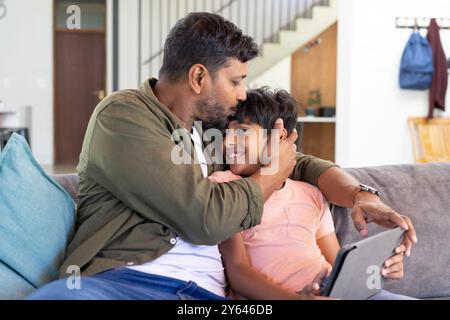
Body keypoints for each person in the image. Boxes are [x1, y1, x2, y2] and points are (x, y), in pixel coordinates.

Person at [28, 12, 416, 300]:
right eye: (235, 81)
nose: (243, 94)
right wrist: (269, 175)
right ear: (198, 78)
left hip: (205, 299)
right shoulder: (125, 115)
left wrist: (359, 195)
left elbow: (296, 162)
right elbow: (205, 218)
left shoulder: (210, 138)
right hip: (124, 283)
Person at [210, 88, 415, 300]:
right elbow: (238, 273)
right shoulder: (224, 188)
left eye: (242, 132)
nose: (228, 142)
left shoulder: (310, 194)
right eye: (226, 133)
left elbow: (338, 265)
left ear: (278, 136)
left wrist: (381, 270)